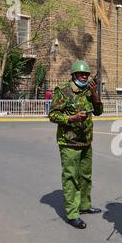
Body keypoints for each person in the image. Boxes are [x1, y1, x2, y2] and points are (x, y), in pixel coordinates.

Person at [49, 60, 103, 229]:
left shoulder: (89, 90)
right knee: (71, 177)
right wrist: (70, 118)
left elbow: (99, 111)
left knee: (86, 176)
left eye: (86, 74)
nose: (85, 77)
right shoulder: (63, 91)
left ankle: (85, 205)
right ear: (73, 75)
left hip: (86, 141)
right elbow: (53, 115)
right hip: (69, 141)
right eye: (81, 74)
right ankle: (72, 214)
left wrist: (95, 94)